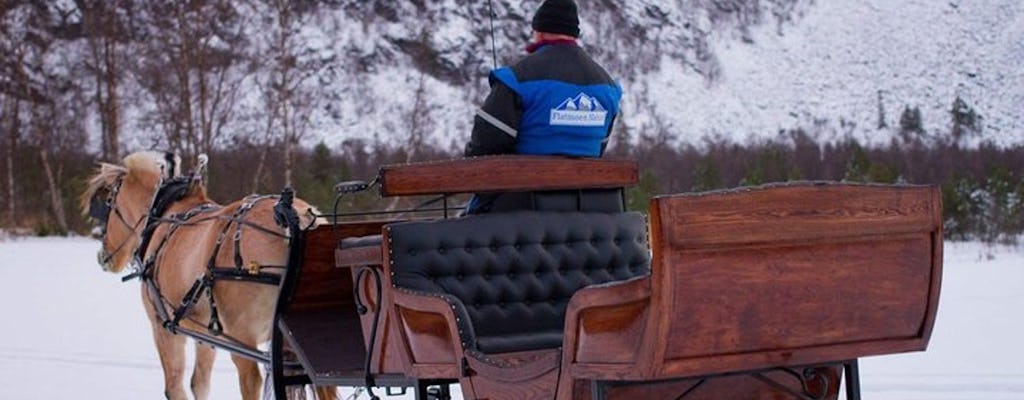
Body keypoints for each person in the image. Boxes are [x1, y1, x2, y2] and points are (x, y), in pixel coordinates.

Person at [465, 0, 623, 213]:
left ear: (538, 32)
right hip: (589, 207)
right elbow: (599, 148)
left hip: (521, 207)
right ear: (574, 34)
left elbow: (485, 146)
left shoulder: (517, 79)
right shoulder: (608, 88)